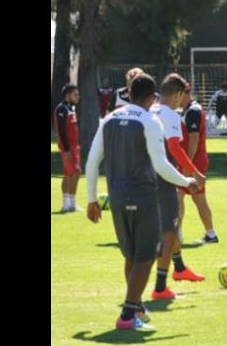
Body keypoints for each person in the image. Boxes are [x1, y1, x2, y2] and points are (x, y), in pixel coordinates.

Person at [84, 73, 200, 330]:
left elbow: (92, 161)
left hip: (116, 198)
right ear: (151, 98)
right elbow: (160, 165)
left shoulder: (109, 118)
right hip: (144, 196)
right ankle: (127, 316)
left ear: (129, 93)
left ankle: (135, 307)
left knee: (132, 255)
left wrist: (92, 199)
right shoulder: (150, 121)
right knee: (146, 257)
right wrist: (186, 181)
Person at [150, 74, 207, 300]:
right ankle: (160, 287)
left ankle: (180, 267)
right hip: (164, 178)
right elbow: (174, 147)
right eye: (182, 96)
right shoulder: (170, 115)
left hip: (144, 177)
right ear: (177, 95)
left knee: (167, 229)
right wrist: (193, 172)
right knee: (169, 230)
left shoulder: (150, 110)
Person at [177, 84, 217, 244]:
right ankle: (211, 234)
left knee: (178, 195)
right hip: (194, 160)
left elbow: (194, 139)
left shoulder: (193, 110)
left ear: (182, 94)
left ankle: (177, 233)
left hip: (194, 160)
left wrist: (188, 165)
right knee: (198, 198)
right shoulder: (190, 109)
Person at [54, 84, 81, 212]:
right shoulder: (61, 109)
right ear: (68, 95)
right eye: (75, 94)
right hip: (68, 147)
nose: (78, 96)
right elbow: (61, 130)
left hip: (75, 146)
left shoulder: (71, 107)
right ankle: (67, 204)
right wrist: (66, 149)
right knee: (72, 173)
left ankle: (71, 204)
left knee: (71, 174)